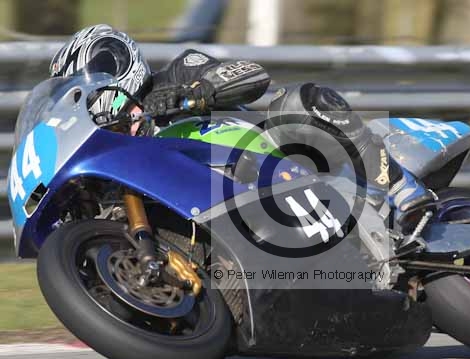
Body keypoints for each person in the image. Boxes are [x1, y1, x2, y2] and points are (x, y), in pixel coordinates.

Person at [49, 24, 431, 224]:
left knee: (297, 100)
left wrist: (195, 93)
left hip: (274, 158)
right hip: (226, 214)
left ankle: (398, 188)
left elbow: (252, 74)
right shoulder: (111, 153)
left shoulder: (179, 72)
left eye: (101, 69)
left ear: (122, 58)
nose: (95, 85)